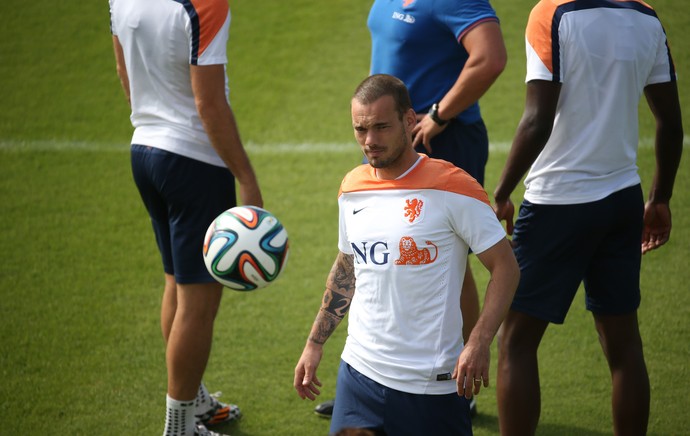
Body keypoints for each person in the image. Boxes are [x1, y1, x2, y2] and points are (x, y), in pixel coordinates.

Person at [492, 1, 683, 435]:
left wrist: (502, 193)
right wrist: (660, 198)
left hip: (557, 204)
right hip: (623, 200)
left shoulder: (551, 14)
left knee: (516, 341)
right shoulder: (646, 17)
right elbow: (670, 123)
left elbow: (538, 119)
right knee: (623, 343)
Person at [294, 74, 520, 435]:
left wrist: (478, 342)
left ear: (410, 121)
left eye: (381, 127)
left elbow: (506, 268)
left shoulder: (454, 187)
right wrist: (314, 343)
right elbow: (348, 267)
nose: (370, 141)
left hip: (430, 387)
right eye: (360, 129)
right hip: (359, 373)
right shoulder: (352, 188)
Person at [314, 0, 508, 418]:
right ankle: (371, 378)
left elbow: (490, 57)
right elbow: (347, 264)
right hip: (389, 124)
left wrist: (439, 113)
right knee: (380, 252)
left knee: (446, 258)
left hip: (438, 135)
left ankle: (456, 379)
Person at [109, 0, 263, 435]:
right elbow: (209, 104)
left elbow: (125, 74)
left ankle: (193, 399)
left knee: (175, 282)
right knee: (198, 305)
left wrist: (154, 127)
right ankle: (179, 427)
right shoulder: (205, 4)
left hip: (145, 149)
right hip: (193, 164)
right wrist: (246, 179)